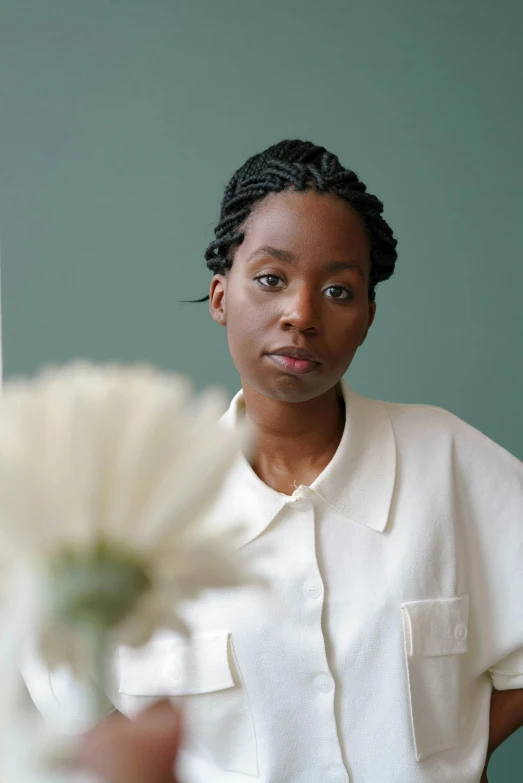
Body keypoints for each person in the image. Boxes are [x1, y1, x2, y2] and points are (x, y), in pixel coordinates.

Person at [30, 140, 523, 783]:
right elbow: (68, 700)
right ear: (219, 296)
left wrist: (455, 755)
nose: (302, 314)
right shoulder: (140, 512)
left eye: (340, 290)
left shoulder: (452, 463)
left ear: (368, 317)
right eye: (270, 279)